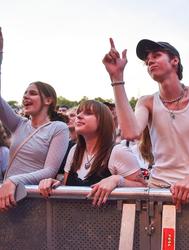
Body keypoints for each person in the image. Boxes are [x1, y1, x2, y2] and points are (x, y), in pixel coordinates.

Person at [102, 38, 189, 207]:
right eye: (147, 61)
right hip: (156, 189)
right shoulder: (146, 102)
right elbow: (130, 133)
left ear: (175, 61)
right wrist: (116, 77)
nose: (150, 61)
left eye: (156, 55)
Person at [0, 27, 69, 211]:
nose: (25, 97)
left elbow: (49, 171)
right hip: (6, 199)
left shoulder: (58, 128)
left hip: (32, 203)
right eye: (24, 93)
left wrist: (13, 180)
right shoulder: (18, 124)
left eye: (32, 93)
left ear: (48, 100)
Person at [39, 100, 146, 206]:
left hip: (109, 221)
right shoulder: (74, 150)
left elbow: (142, 187)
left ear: (103, 121)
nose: (79, 116)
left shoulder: (118, 152)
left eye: (88, 113)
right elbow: (68, 187)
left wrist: (117, 179)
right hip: (72, 220)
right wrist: (54, 184)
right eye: (79, 113)